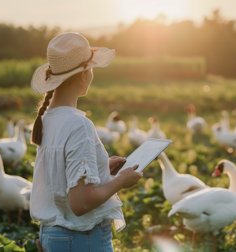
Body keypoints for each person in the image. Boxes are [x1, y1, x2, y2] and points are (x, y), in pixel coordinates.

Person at [29, 32, 143, 252]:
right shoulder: (77, 124)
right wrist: (120, 180)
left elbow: (62, 177)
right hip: (80, 240)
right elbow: (81, 203)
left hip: (53, 236)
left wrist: (100, 168)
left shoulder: (47, 119)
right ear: (84, 75)